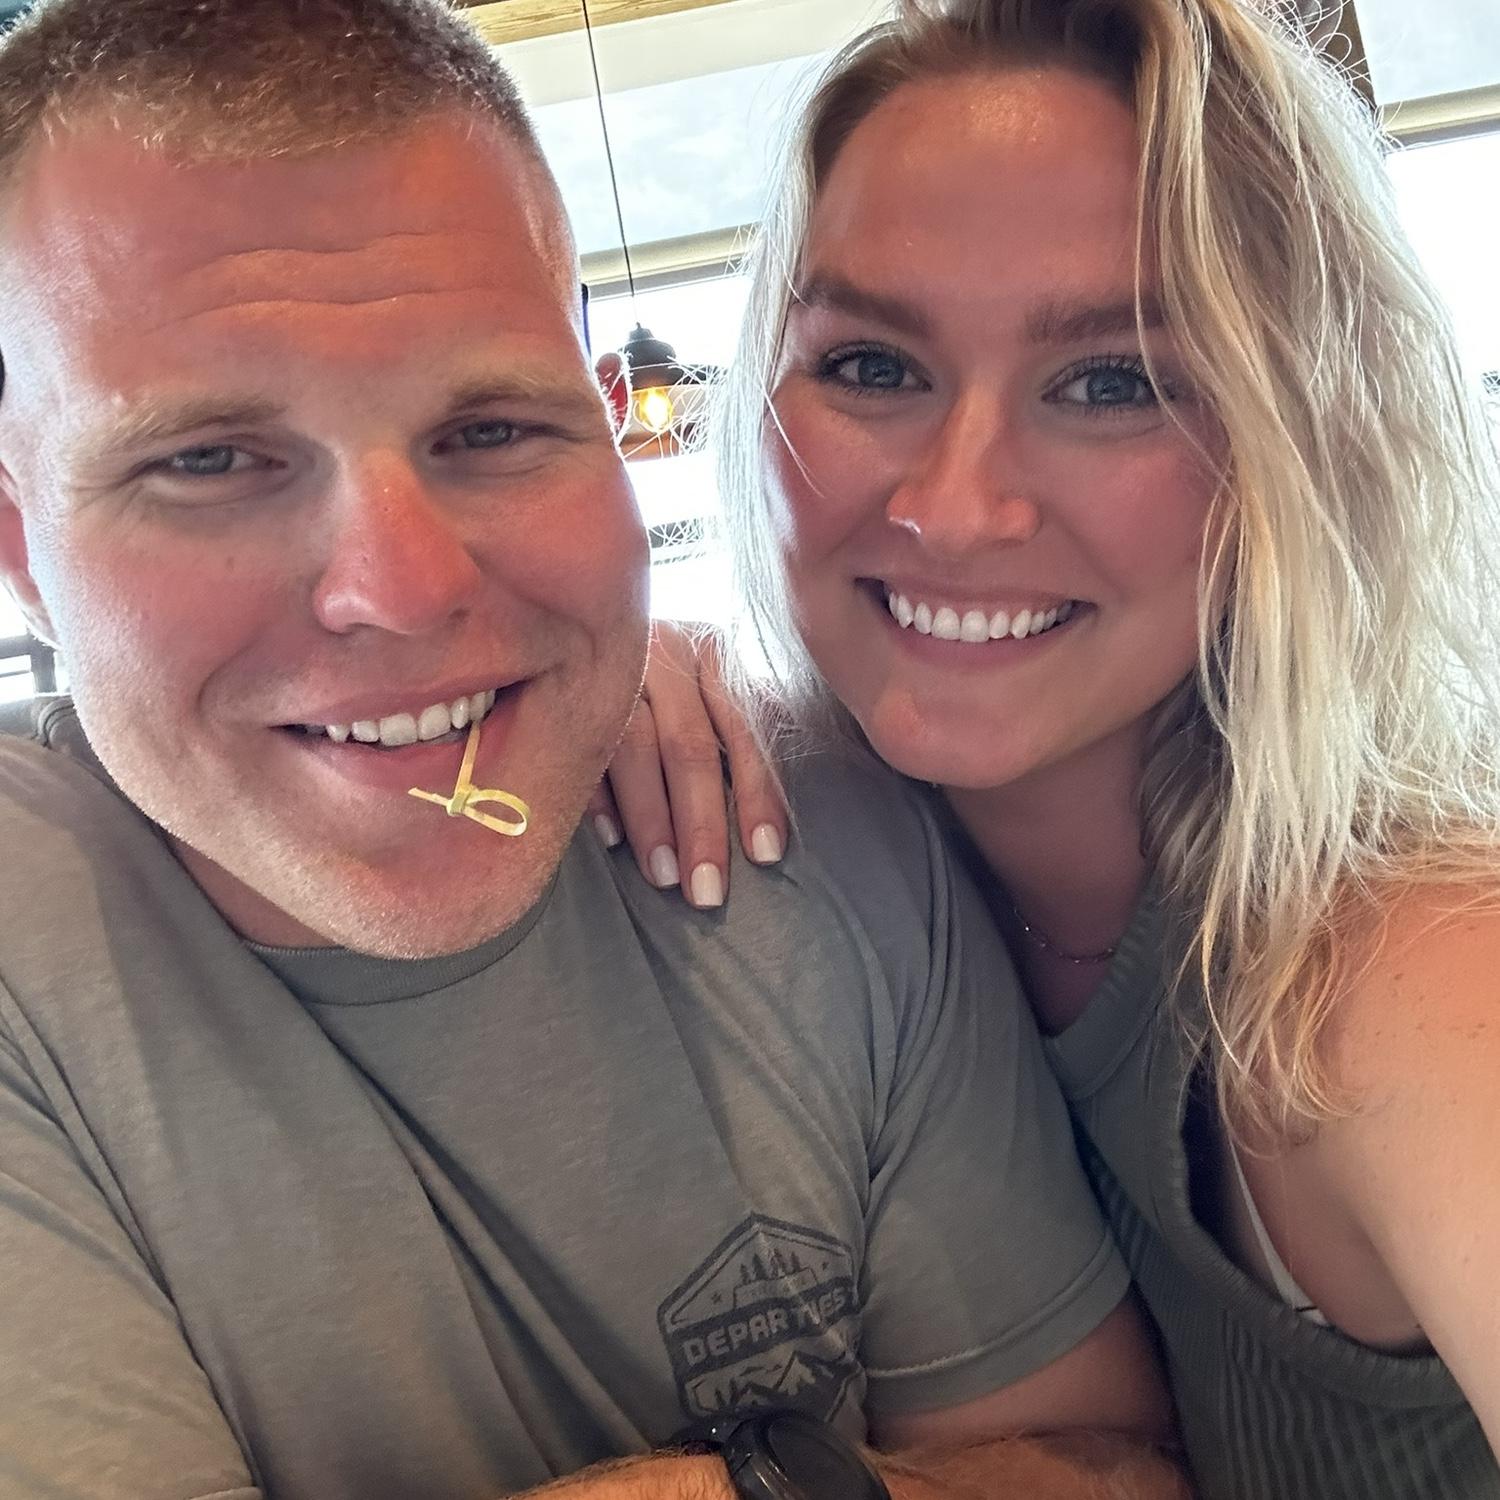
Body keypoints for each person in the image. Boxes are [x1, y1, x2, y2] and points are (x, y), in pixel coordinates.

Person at [0, 1, 1197, 1497]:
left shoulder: (817, 820)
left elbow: (1104, 1467)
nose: (404, 588)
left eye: (492, 430)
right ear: (24, 546)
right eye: (210, 461)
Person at [598, 0, 1500, 1495]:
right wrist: (577, 674)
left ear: (1296, 435)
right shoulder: (817, 871)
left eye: (1111, 382)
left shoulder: (1412, 969)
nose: (953, 511)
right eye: (872, 366)